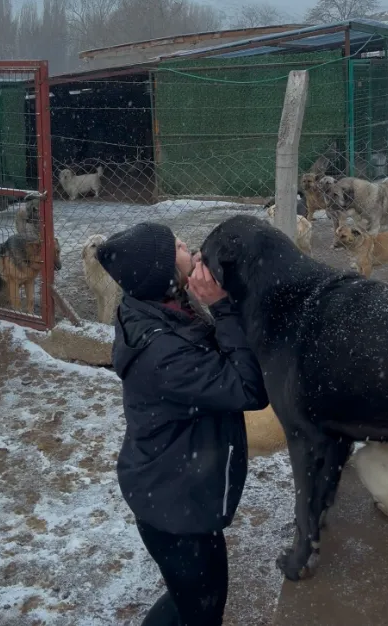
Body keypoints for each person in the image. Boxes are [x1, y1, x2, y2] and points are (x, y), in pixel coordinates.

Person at [96, 222, 269, 626]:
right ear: (161, 273)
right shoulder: (162, 353)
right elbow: (249, 389)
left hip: (173, 487)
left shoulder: (155, 303)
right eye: (176, 246)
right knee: (199, 609)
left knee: (192, 599)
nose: (187, 247)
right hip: (175, 508)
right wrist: (223, 307)